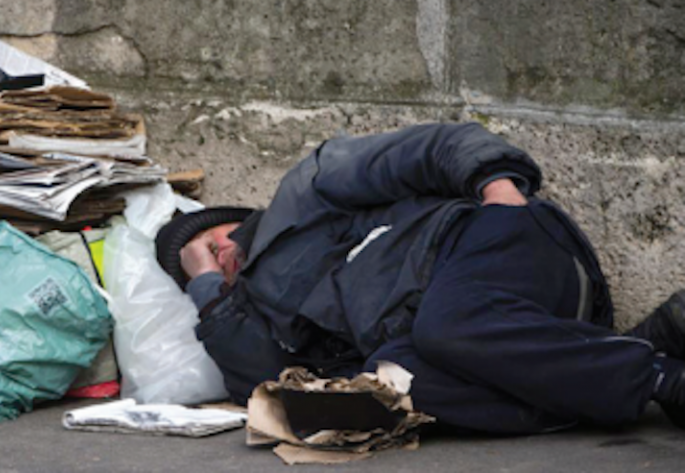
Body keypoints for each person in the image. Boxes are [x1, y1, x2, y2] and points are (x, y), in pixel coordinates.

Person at [155, 122, 685, 434]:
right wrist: (208, 292)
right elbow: (266, 390)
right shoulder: (253, 309)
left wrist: (496, 186)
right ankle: (634, 350)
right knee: (386, 391)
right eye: (197, 260)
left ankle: (658, 378)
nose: (215, 252)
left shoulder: (305, 193)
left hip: (483, 244)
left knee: (446, 323)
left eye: (210, 237)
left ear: (235, 219)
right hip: (483, 338)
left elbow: (429, 147)